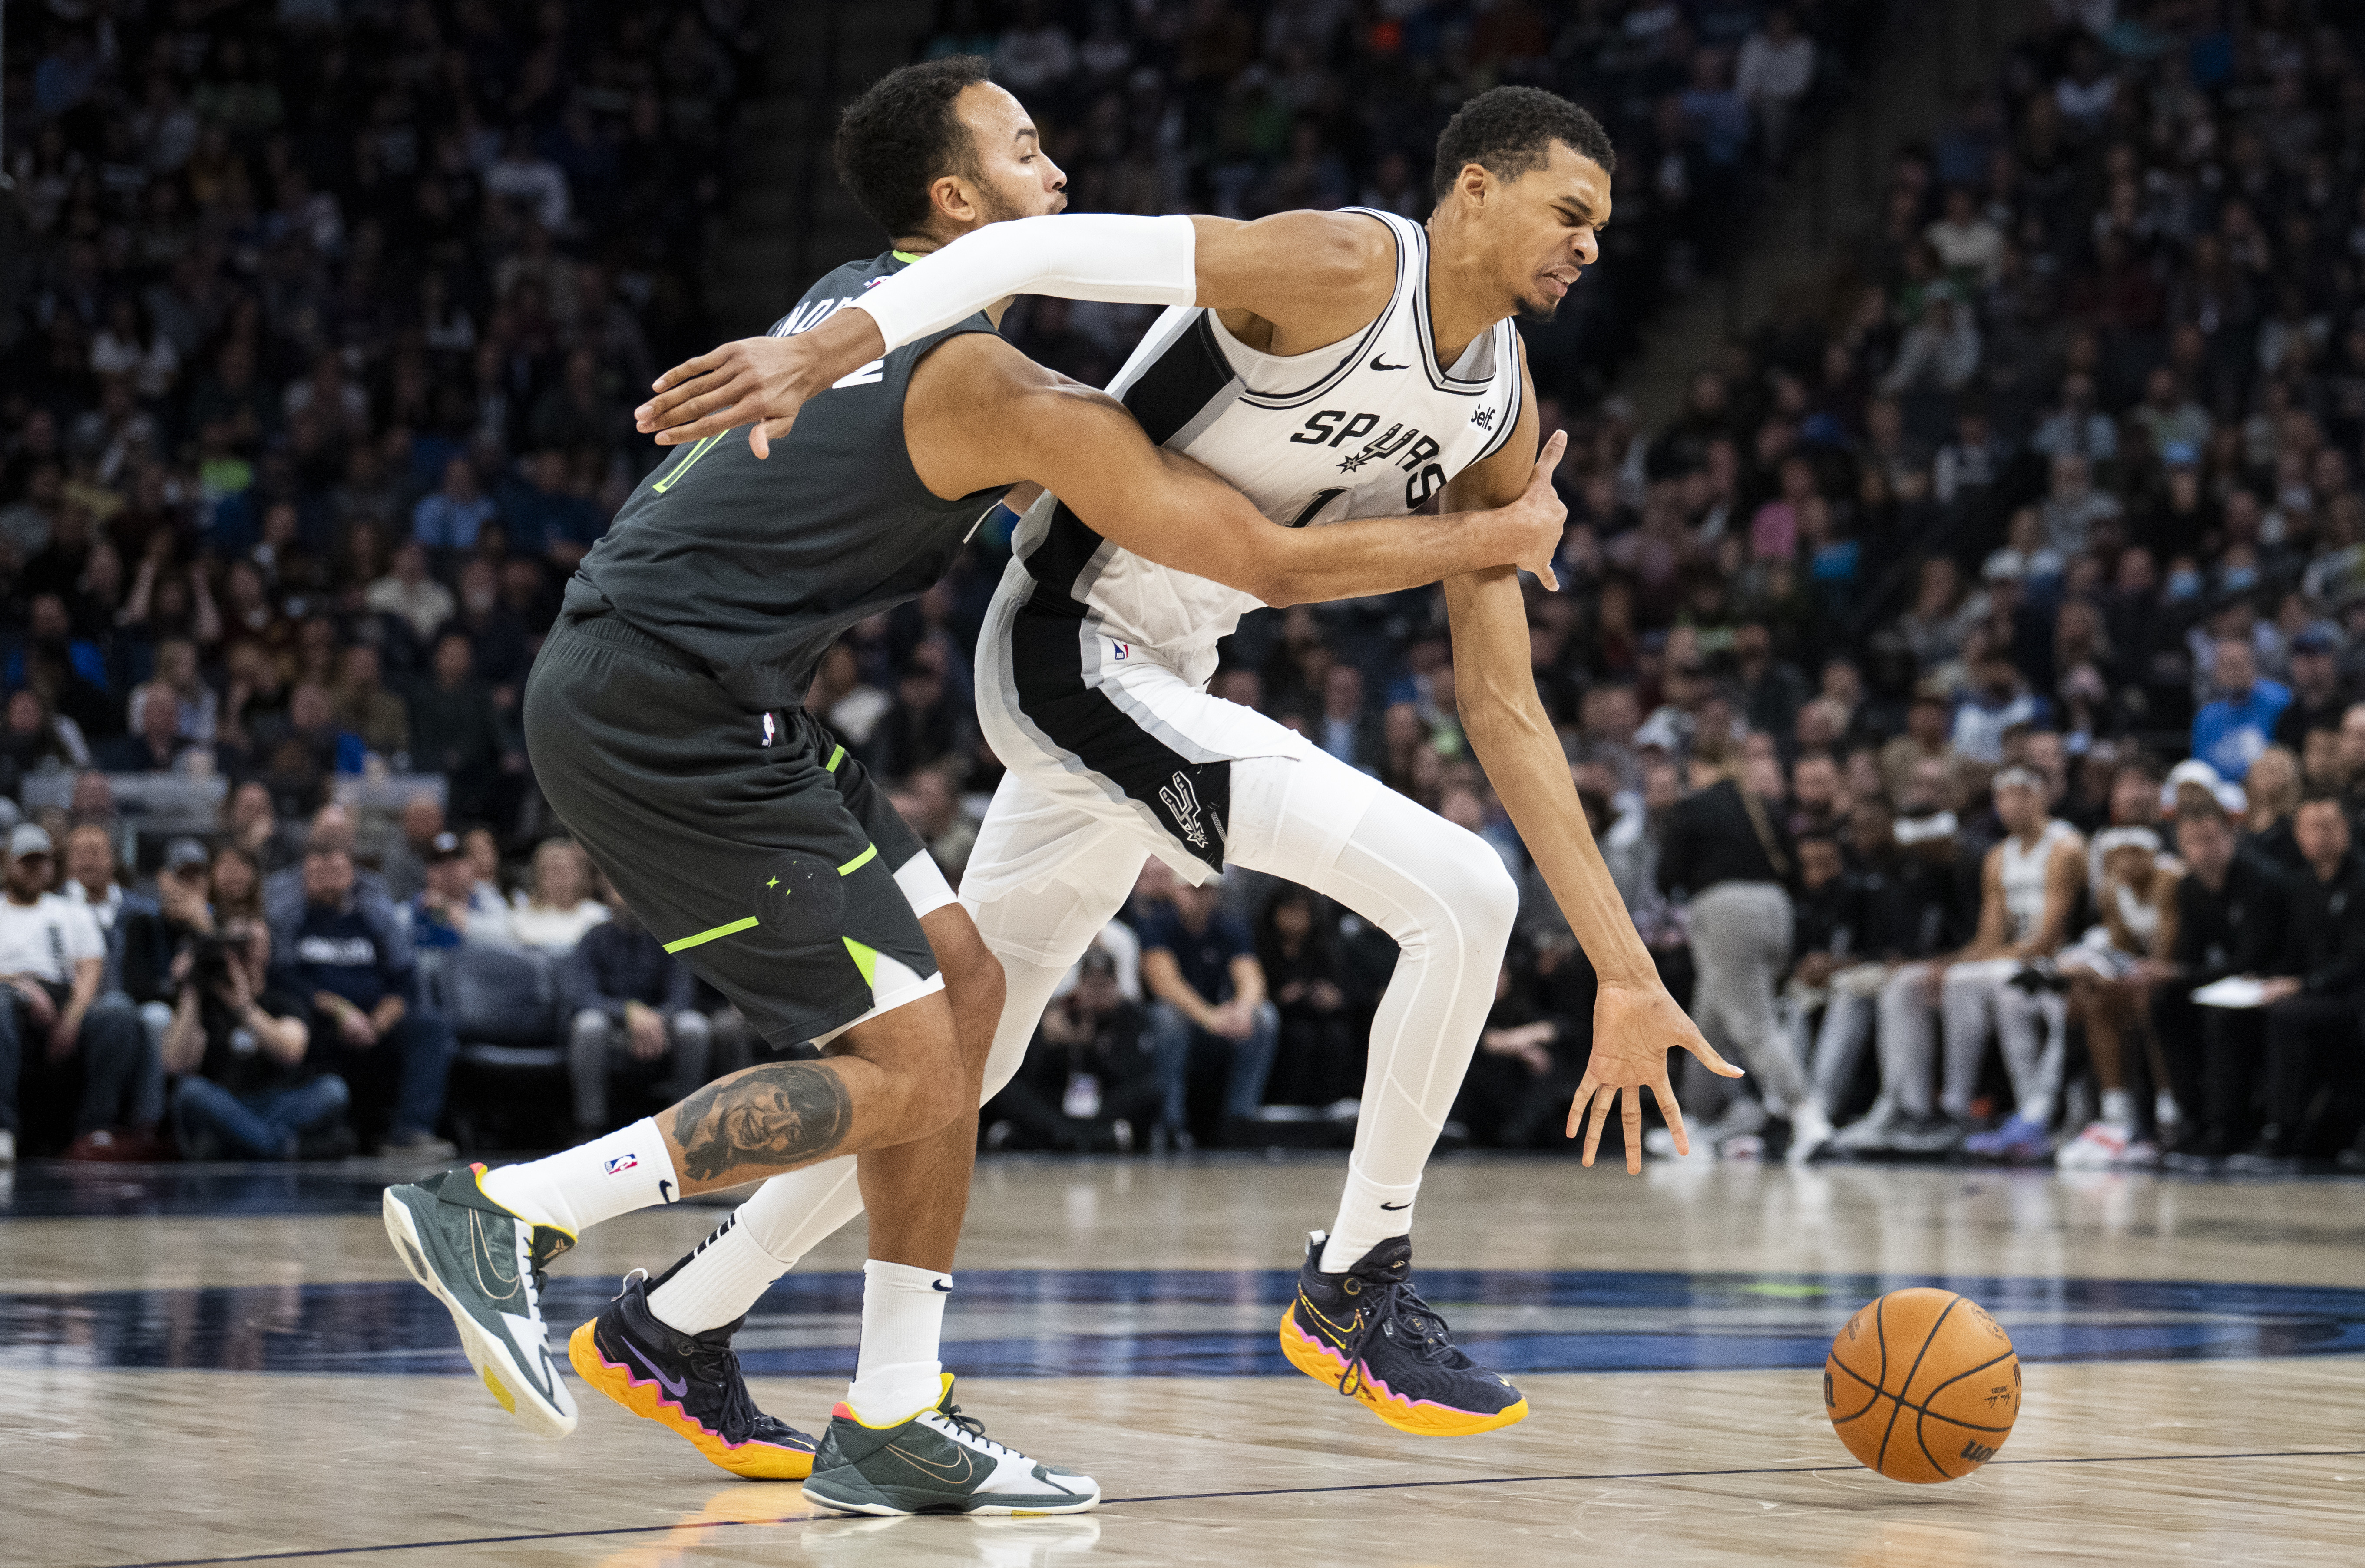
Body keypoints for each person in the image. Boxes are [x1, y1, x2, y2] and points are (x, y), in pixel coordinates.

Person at [383, 57, 1569, 1513]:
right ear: (956, 200)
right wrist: (1481, 537)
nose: (1055, 170)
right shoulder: (996, 381)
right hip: (661, 707)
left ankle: (881, 1405)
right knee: (916, 1067)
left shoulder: (846, 305)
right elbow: (1249, 558)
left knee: (968, 999)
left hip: (713, 695)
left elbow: (1001, 475)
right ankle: (514, 1211)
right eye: (1023, 148)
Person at [637, 74, 1733, 1441]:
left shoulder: (1499, 412)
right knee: (1462, 892)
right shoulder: (1341, 264)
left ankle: (676, 1318)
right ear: (1476, 191)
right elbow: (1038, 246)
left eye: (1604, 228)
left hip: (1167, 674)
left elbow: (1505, 709)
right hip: (1069, 645)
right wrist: (825, 346)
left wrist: (1627, 973)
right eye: (1570, 211)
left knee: (964, 1058)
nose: (1589, 244)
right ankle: (1357, 1281)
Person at [1865, 767, 2085, 1157]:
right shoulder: (1999, 857)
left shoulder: (2065, 847)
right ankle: (1949, 1108)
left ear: (2044, 797)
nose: (2012, 805)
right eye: (2004, 796)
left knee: (2002, 987)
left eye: (2022, 794)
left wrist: (1969, 966)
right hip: (2012, 959)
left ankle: (2034, 1113)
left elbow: (2046, 939)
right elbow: (1988, 940)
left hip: (2061, 958)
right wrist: (1946, 964)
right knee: (1938, 981)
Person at [273, 845, 454, 1157]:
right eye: (319, 872)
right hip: (320, 1023)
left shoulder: (372, 920)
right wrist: (342, 1011)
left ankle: (410, 1133)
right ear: (304, 878)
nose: (329, 880)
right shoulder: (293, 921)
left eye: (337, 872)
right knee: (296, 1021)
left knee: (430, 1026)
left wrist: (378, 1022)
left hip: (374, 1023)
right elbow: (287, 980)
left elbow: (404, 981)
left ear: (353, 877)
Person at [2147, 800, 2291, 1167]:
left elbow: (2255, 957)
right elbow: (2190, 954)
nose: (2202, 850)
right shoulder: (2188, 888)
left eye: (2210, 840)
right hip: (2225, 980)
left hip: (2270, 979)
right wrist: (2172, 975)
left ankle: (2226, 1128)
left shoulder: (2261, 881)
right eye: (2192, 842)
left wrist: (2181, 974)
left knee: (2220, 1018)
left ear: (2231, 837)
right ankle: (2191, 1118)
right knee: (2163, 1004)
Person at [0, 824, 153, 1164]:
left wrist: (73, 1015)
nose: (34, 869)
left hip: (64, 998)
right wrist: (17, 985)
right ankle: (3, 1129)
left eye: (41, 862)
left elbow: (90, 969)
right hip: (10, 1000)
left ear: (53, 866)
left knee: (119, 1014)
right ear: (7, 865)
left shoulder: (71, 911)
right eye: (26, 862)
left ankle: (94, 1131)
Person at [2229, 793, 2365, 1169]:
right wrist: (2265, 977)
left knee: (2286, 1015)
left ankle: (2282, 1128)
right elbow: (2291, 950)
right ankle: (2230, 1125)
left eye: (2328, 827)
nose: (2318, 837)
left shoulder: (2360, 882)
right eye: (2310, 828)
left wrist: (2303, 985)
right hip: (2314, 992)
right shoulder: (2300, 886)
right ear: (2298, 835)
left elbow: (2356, 960)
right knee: (2239, 1012)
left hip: (2351, 995)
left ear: (2345, 831)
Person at [165, 919, 351, 1160]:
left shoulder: (284, 1000)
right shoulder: (206, 1003)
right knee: (190, 1091)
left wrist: (244, 1008)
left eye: (249, 948)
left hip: (278, 1102)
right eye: (235, 949)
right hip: (227, 1102)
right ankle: (280, 1147)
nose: (243, 957)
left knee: (333, 1091)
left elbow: (291, 1051)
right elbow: (175, 1063)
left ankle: (247, 1142)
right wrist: (191, 990)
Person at [2053, 826, 2174, 1169]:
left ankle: (2167, 1107)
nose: (2127, 862)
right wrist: (2101, 970)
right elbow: (2123, 948)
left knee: (2144, 999)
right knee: (2095, 999)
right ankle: (2114, 1108)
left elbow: (2166, 951)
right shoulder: (2111, 891)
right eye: (2118, 855)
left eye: (2135, 853)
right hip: (2142, 972)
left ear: (2153, 854)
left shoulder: (2168, 882)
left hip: (2175, 971)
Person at [1140, 871, 1277, 1145]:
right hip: (1181, 1016)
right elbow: (1165, 983)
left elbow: (1249, 974)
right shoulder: (1158, 925)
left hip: (1216, 1016)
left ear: (1216, 894)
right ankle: (1172, 1124)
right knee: (1168, 1019)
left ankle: (1240, 1119)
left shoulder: (1230, 927)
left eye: (1205, 890)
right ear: (1175, 891)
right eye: (1190, 889)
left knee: (1265, 1016)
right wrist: (1208, 1016)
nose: (1198, 896)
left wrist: (1244, 1008)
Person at [982, 948, 1157, 1151]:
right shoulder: (1057, 1014)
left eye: (1104, 986)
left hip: (1103, 1101)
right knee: (1003, 1090)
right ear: (1079, 986)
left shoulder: (1130, 1016)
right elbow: (1031, 1076)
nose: (1097, 993)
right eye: (1091, 985)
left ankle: (1063, 1137)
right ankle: (1081, 1137)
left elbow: (1131, 1075)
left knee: (1150, 1091)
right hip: (1056, 1103)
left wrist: (1092, 1048)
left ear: (1116, 986)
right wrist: (1050, 1044)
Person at [563, 901, 712, 1139]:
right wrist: (628, 1012)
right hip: (613, 1029)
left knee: (695, 1026)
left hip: (662, 1027)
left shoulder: (669, 937)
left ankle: (686, 1128)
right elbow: (581, 995)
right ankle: (589, 1129)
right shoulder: (594, 937)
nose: (626, 899)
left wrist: (655, 1019)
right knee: (588, 1026)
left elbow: (683, 996)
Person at [400, 831, 518, 952]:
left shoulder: (491, 902)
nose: (449, 866)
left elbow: (509, 939)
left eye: (457, 857)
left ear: (471, 865)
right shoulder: (408, 914)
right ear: (427, 871)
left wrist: (451, 910)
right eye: (439, 861)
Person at [507, 837, 609, 957]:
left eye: (564, 870)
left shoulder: (599, 916)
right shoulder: (519, 918)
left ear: (578, 875)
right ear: (539, 877)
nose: (558, 878)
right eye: (550, 870)